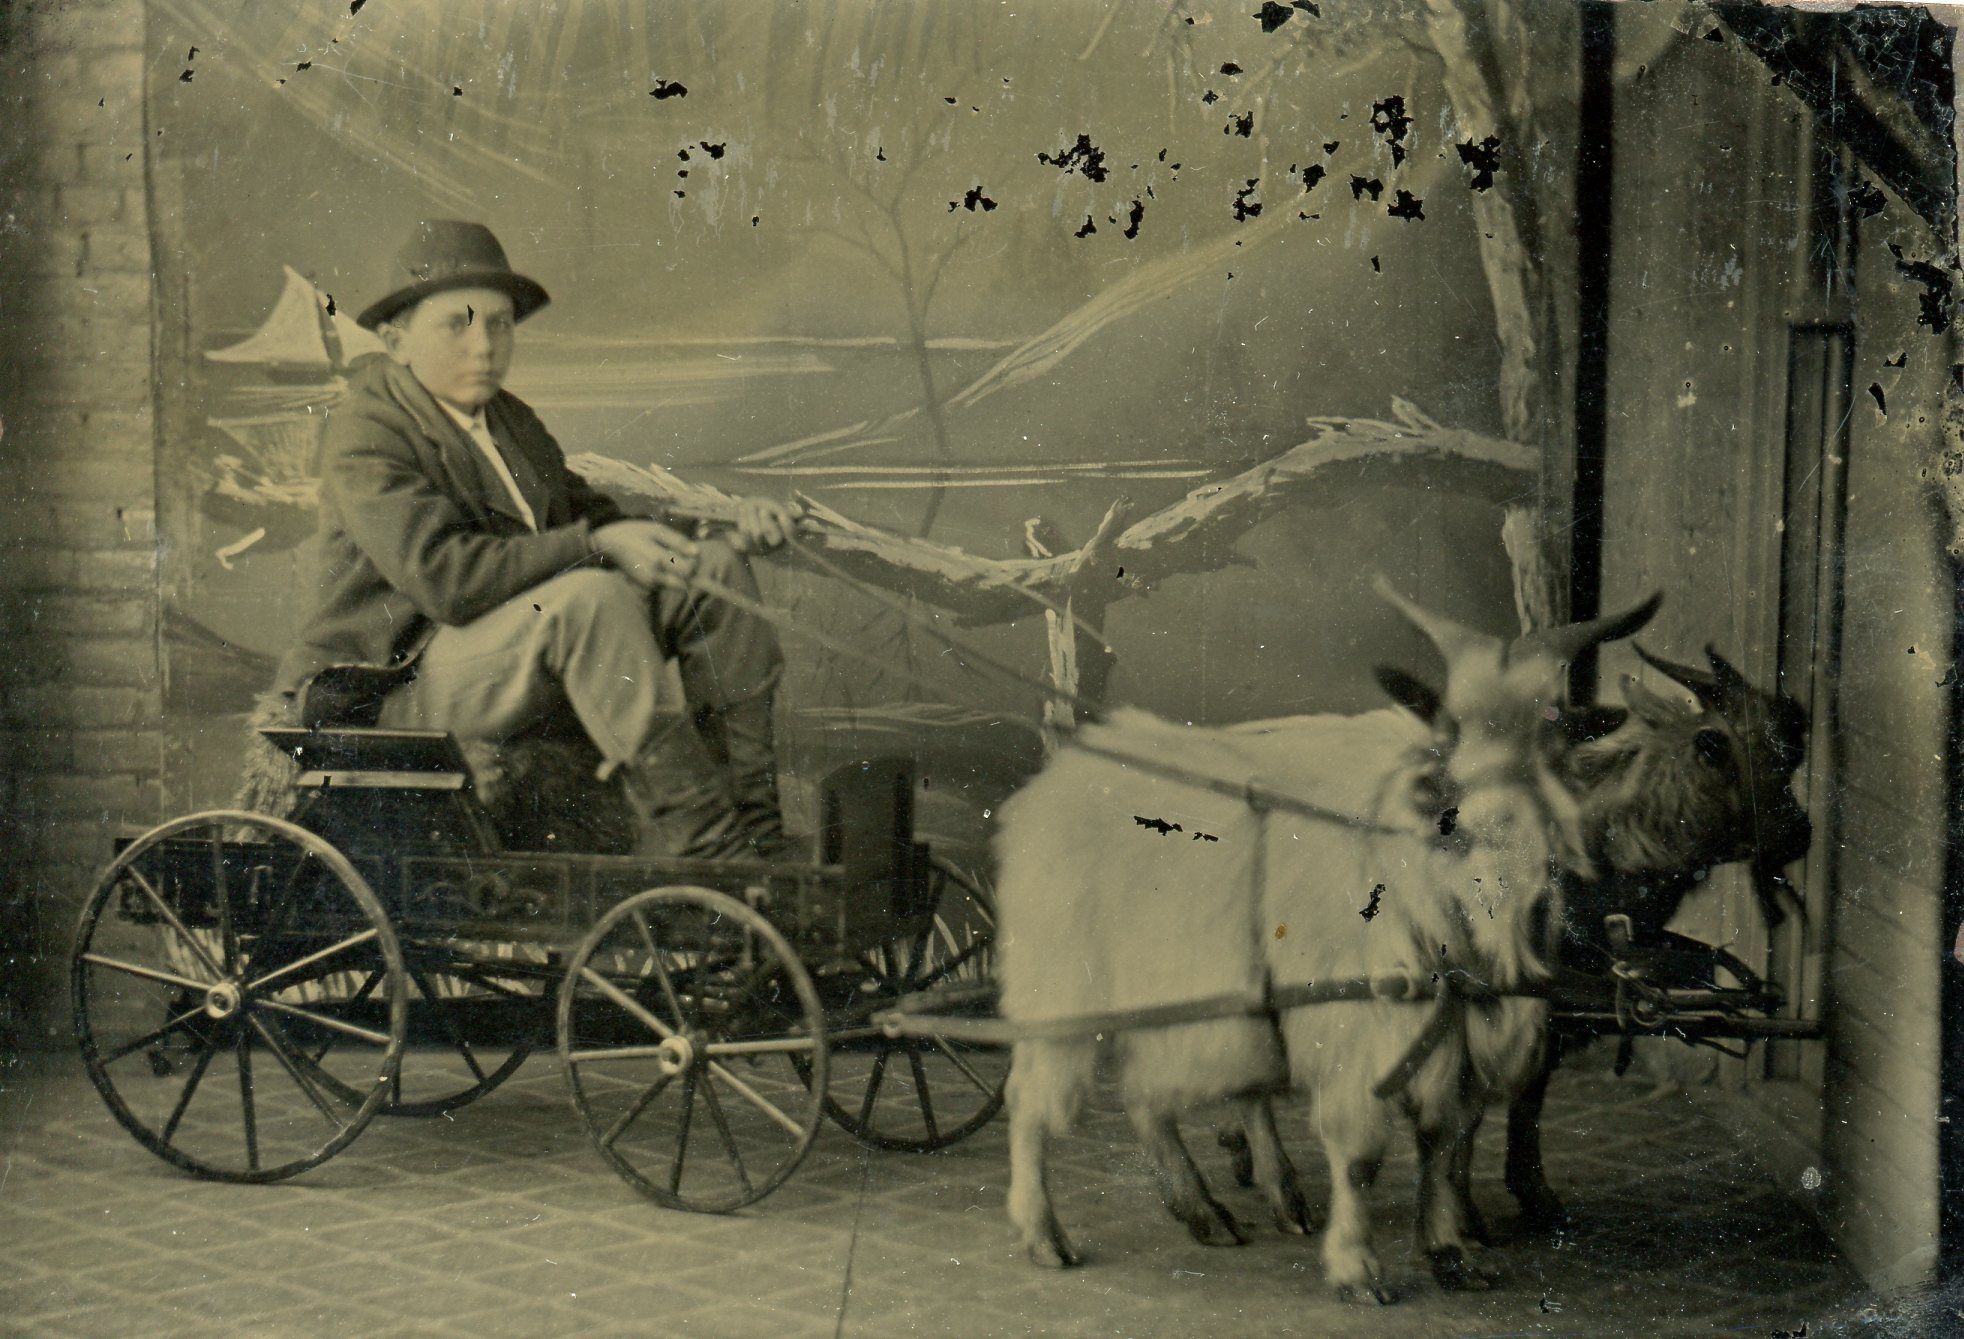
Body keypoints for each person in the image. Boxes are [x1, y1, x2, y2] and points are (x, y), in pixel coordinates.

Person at [271, 219, 797, 859]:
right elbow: (446, 580)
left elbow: (595, 519)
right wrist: (599, 546)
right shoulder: (368, 430)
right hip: (393, 684)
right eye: (457, 325)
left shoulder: (507, 422)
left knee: (712, 572)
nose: (484, 346)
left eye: (499, 324)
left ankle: (757, 830)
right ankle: (709, 849)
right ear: (396, 340)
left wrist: (714, 531)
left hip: (496, 658)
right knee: (588, 601)